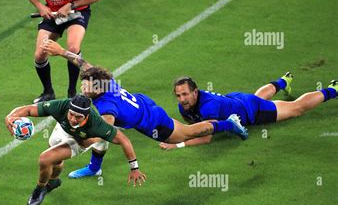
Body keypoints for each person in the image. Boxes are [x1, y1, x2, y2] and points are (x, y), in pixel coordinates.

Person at [41, 40, 249, 178]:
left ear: (97, 88)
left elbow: (104, 133)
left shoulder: (107, 107)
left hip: (153, 122)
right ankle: (95, 168)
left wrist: (78, 140)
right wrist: (61, 52)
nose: (83, 88)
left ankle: (228, 123)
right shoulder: (103, 81)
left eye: (87, 86)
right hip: (142, 103)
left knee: (189, 132)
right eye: (83, 84)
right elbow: (83, 64)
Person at [5, 95, 146, 205]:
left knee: (45, 159)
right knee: (56, 161)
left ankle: (40, 189)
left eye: (78, 117)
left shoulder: (97, 125)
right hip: (63, 129)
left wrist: (135, 168)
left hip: (81, 140)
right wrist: (10, 116)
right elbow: (29, 109)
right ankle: (53, 181)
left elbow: (124, 140)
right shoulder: (61, 106)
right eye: (71, 114)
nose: (73, 118)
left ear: (86, 116)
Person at [159, 74, 337, 150]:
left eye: (185, 94)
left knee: (296, 109)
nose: (182, 99)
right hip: (236, 101)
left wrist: (177, 144)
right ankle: (283, 82)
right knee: (258, 97)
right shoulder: (184, 106)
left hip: (251, 110)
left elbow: (206, 137)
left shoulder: (208, 106)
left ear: (195, 92)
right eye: (178, 95)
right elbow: (195, 127)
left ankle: (332, 90)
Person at [24, 0, 102, 103]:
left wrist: (70, 5)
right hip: (54, 14)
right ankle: (48, 92)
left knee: (72, 48)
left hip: (77, 12)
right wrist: (41, 7)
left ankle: (72, 92)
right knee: (40, 54)